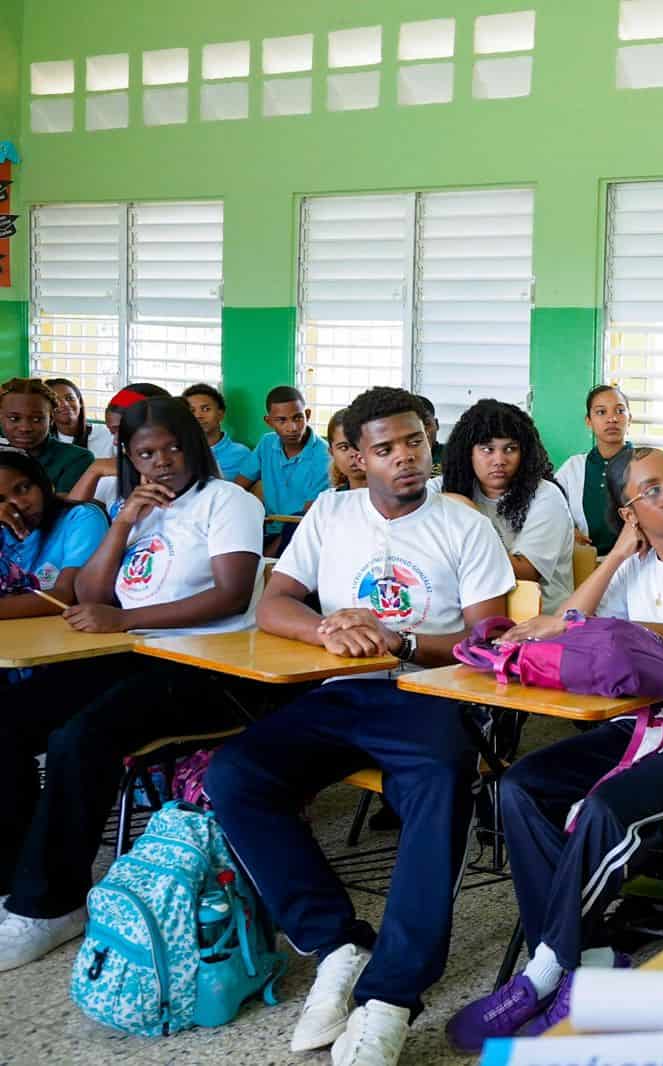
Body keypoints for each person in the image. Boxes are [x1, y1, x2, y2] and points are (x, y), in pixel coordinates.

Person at [205, 387, 515, 1066]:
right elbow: (274, 602)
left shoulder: (464, 526)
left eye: (413, 443)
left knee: (440, 786)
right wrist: (325, 627)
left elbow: (490, 641)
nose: (404, 458)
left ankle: (392, 998)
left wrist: (398, 644)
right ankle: (338, 942)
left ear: (430, 441)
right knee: (233, 775)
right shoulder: (332, 512)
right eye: (384, 449)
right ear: (356, 457)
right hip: (339, 692)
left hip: (430, 694)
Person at [446, 446, 663, 1049]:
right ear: (629, 511)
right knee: (521, 786)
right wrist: (618, 557)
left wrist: (578, 626)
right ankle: (593, 959)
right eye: (652, 490)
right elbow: (572, 623)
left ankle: (546, 970)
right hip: (651, 723)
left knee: (606, 809)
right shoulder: (634, 565)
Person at [0, 397, 263, 971]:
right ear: (130, 457)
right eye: (147, 453)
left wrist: (127, 619)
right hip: (132, 653)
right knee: (11, 717)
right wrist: (122, 524)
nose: (163, 461)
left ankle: (52, 904)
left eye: (172, 447)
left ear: (194, 443)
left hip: (208, 666)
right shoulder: (134, 506)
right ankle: (15, 874)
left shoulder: (228, 501)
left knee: (81, 737)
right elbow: (92, 597)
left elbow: (231, 595)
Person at [439, 398, 574, 614]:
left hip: (539, 620)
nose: (499, 460)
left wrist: (473, 518)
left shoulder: (546, 496)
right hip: (467, 614)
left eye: (510, 449)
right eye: (487, 449)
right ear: (468, 453)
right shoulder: (445, 487)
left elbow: (525, 572)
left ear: (525, 453)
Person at [0, 451, 109, 620]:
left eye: (23, 488)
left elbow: (65, 597)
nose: (20, 505)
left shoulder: (80, 518)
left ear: (44, 483)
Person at [65, 384, 173, 514]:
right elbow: (70, 521)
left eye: (122, 430)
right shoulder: (114, 477)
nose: (116, 441)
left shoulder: (181, 481)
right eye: (112, 432)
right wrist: (94, 470)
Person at [554, 385, 632, 556]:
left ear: (629, 419)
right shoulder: (574, 467)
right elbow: (550, 507)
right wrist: (568, 531)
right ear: (588, 421)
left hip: (636, 560)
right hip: (587, 562)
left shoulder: (644, 464)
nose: (612, 419)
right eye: (601, 412)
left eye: (620, 411)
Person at [253, 385, 330, 551]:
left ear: (307, 415)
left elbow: (307, 518)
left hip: (302, 534)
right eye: (282, 420)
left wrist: (269, 554)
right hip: (266, 530)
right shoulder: (266, 443)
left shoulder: (325, 455)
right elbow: (239, 485)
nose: (292, 427)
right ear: (269, 422)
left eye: (297, 418)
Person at [0, 378, 93, 494]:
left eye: (36, 419)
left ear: (51, 419)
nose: (25, 428)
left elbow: (62, 507)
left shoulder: (76, 459)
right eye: (14, 419)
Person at [44, 378, 115, 458]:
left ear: (79, 402)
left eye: (70, 398)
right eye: (56, 401)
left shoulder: (108, 433)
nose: (65, 404)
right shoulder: (43, 442)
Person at [326, 408, 367, 492]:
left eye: (359, 445)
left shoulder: (396, 497)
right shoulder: (329, 500)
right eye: (344, 447)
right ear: (331, 452)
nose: (354, 454)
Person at [415, 394, 446, 475]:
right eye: (415, 426)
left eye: (427, 423)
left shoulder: (452, 455)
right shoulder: (398, 460)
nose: (423, 432)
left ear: (436, 424)